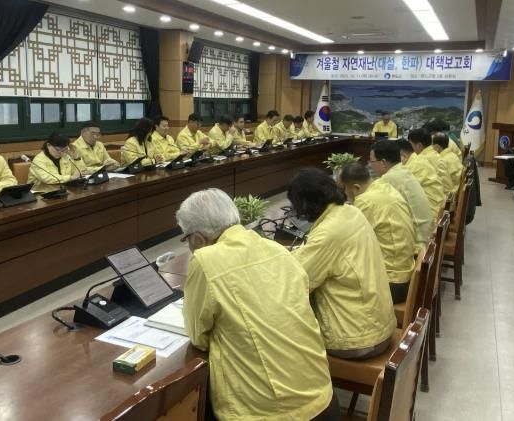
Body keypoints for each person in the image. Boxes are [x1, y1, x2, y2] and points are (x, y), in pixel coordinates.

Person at [177, 188, 339, 421]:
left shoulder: (205, 260)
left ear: (198, 239)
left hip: (270, 413)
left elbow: (198, 338)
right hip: (324, 399)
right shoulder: (277, 249)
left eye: (186, 238)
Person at [289, 168, 395, 359]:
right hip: (378, 326)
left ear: (305, 204)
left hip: (356, 339)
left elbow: (297, 280)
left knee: (284, 332)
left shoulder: (328, 232)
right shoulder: (351, 212)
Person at [340, 162, 416, 304]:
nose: (344, 193)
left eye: (345, 189)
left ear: (356, 188)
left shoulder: (365, 201)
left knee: (332, 286)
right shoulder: (384, 186)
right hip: (406, 271)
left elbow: (347, 242)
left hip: (392, 284)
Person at [370, 141, 433, 251]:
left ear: (383, 162)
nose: (370, 165)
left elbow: (371, 204)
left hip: (418, 243)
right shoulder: (402, 170)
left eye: (372, 161)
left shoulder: (389, 178)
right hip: (426, 233)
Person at [397, 139, 444, 218]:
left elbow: (398, 194)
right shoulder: (418, 159)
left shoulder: (412, 167)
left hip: (431, 215)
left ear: (403, 156)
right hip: (436, 209)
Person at [408, 128, 454, 195]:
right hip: (448, 195)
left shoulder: (423, 159)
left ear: (419, 145)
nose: (410, 148)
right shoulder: (433, 154)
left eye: (411, 144)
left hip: (442, 197)